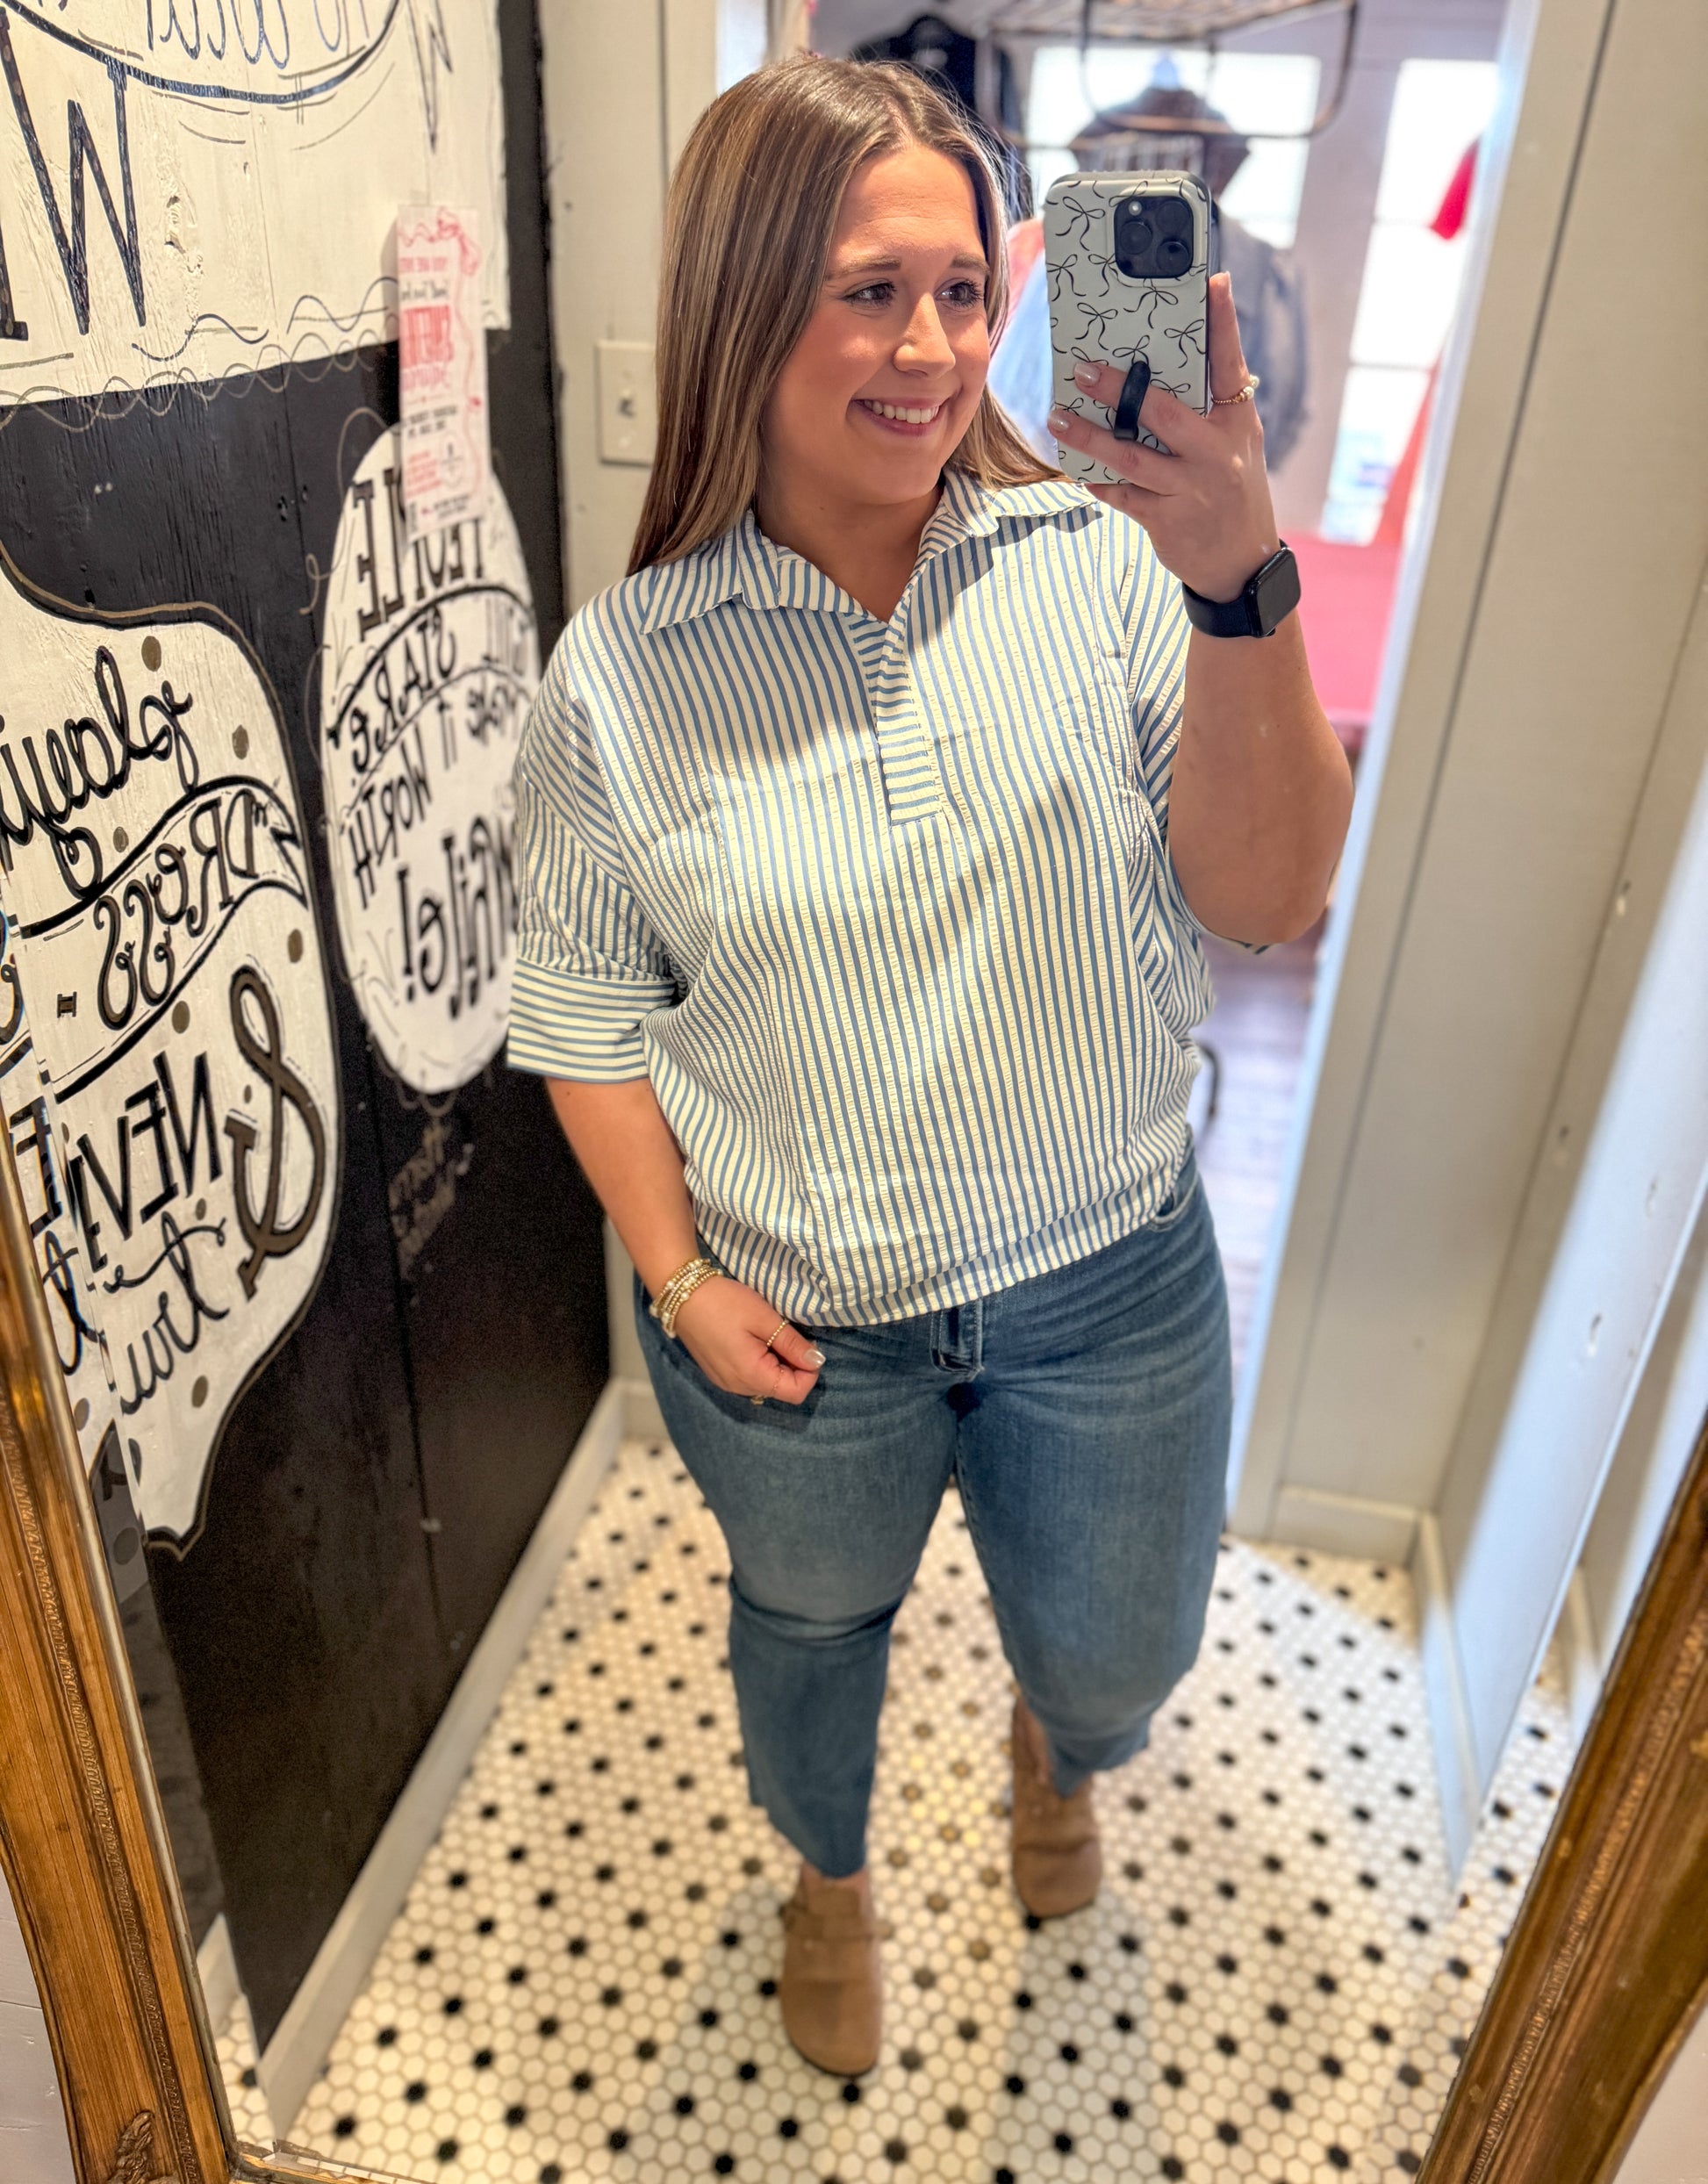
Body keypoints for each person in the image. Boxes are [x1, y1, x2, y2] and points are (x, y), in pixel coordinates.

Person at [508, 54, 1351, 2080]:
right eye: (868, 291)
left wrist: (1236, 574)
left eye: (963, 289)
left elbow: (1270, 898)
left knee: (1121, 1654)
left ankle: (1058, 1759)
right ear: (738, 302)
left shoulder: (1107, 569)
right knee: (811, 1632)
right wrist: (678, 1279)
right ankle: (831, 1877)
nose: (931, 345)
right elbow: (586, 1019)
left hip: (1111, 1289)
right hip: (800, 1330)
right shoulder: (620, 679)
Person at [990, 82, 1310, 471]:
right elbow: (1009, 391)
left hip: (1193, 491)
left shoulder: (1264, 273)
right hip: (1047, 486)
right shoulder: (1040, 249)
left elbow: (1276, 420)